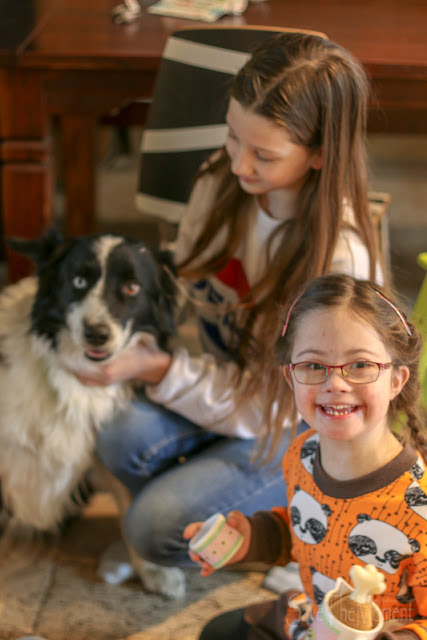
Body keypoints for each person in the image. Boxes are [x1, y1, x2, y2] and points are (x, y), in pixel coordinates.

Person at [77, 33, 383, 574]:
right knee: (118, 435)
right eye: (232, 137)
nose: (239, 163)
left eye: (264, 154)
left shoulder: (340, 263)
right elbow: (187, 280)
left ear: (318, 155)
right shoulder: (220, 181)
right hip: (233, 383)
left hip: (296, 424)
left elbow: (266, 405)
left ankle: (292, 537)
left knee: (154, 527)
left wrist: (159, 369)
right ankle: (216, 493)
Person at [185, 273, 426, 640]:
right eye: (314, 366)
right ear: (290, 377)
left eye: (360, 365)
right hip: (310, 617)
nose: (336, 383)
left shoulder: (419, 508)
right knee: (217, 633)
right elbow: (306, 532)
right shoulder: (303, 453)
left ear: (396, 380)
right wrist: (248, 538)